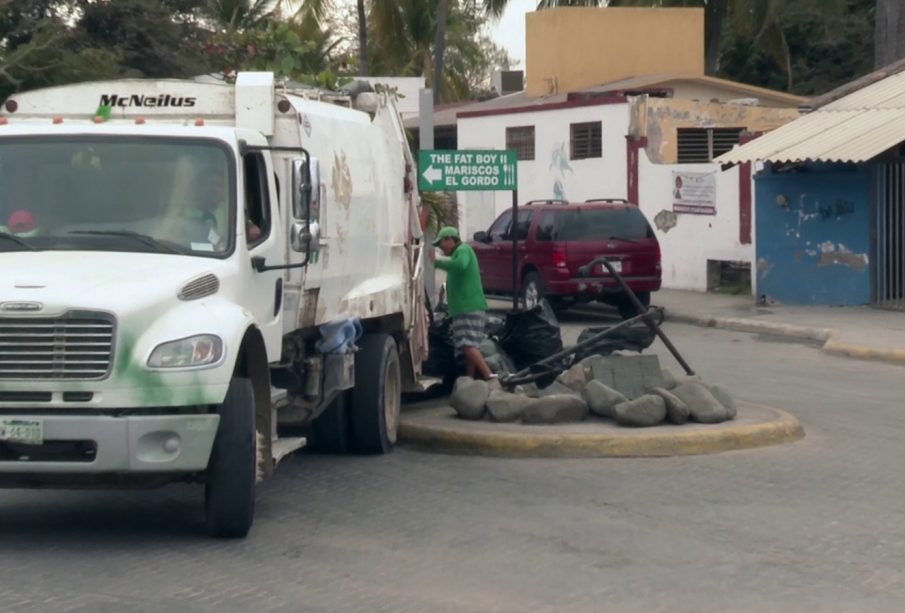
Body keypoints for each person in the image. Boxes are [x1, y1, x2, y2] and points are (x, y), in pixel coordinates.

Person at [433, 226, 495, 380]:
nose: (441, 248)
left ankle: (489, 376)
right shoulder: (460, 252)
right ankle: (470, 377)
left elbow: (460, 266)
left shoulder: (463, 250)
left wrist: (437, 263)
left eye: (442, 243)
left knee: (466, 345)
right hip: (468, 307)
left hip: (468, 307)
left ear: (450, 239)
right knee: (471, 346)